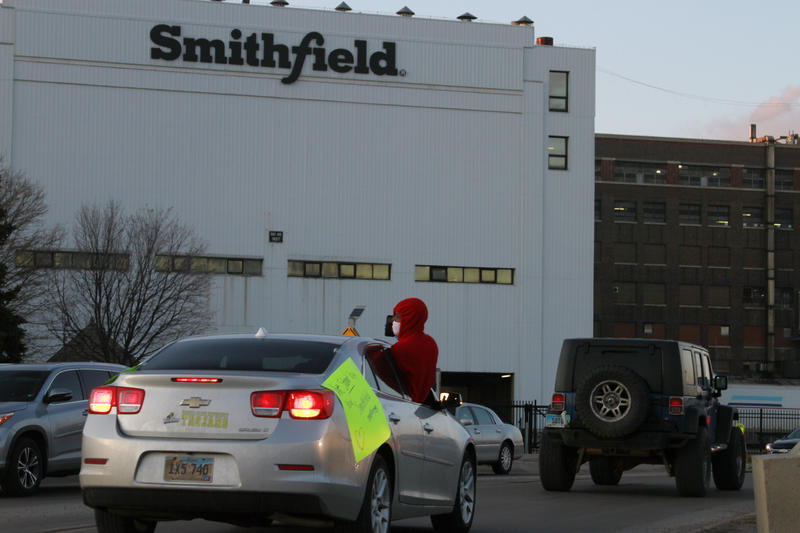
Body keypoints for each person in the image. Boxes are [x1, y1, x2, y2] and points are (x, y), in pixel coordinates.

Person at [387, 297, 438, 404]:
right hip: (421, 406)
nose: (394, 321)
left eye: (397, 317)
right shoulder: (431, 343)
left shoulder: (401, 348)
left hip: (401, 403)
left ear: (409, 318)